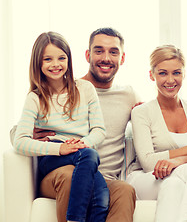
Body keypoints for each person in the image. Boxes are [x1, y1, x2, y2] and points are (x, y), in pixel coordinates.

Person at [11, 27, 139, 222]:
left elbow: (101, 129)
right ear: (87, 55)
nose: (55, 64)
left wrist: (146, 112)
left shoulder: (94, 91)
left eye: (113, 52)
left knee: (122, 190)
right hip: (56, 168)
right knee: (74, 169)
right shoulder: (38, 96)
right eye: (47, 59)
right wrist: (57, 146)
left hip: (91, 165)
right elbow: (18, 137)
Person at [126, 45, 187, 222]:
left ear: (184, 74)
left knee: (175, 184)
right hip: (144, 179)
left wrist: (176, 161)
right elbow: (147, 161)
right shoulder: (141, 112)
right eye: (162, 73)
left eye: (176, 73)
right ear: (151, 75)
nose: (170, 80)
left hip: (176, 177)